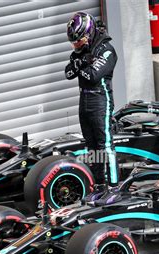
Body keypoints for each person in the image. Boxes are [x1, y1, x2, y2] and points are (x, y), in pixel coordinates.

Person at [65, 12, 120, 203]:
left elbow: (93, 76)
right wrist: (81, 63)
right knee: (91, 147)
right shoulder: (81, 53)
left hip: (100, 101)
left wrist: (79, 65)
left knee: (105, 145)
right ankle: (99, 185)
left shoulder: (106, 50)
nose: (76, 46)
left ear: (88, 34)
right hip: (84, 101)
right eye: (74, 43)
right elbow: (68, 73)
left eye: (78, 41)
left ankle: (114, 188)